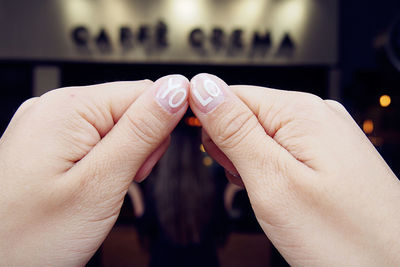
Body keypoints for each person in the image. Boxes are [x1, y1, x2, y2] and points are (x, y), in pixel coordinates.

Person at [0, 73, 399, 266]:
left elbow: (144, 234)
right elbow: (223, 236)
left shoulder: (152, 185)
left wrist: (135, 200)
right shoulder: (212, 180)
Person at [128, 123, 229, 267]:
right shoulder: (213, 182)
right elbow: (221, 231)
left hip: (162, 260)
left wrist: (134, 194)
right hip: (204, 260)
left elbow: (146, 231)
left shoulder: (154, 183)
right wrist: (230, 193)